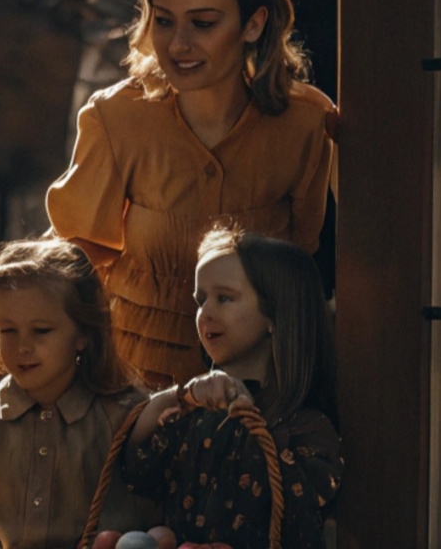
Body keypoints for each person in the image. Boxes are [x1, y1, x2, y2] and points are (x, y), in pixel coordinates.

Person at [46, 0, 337, 389]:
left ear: (253, 24)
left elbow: (302, 260)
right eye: (163, 21)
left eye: (203, 23)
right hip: (134, 391)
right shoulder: (117, 118)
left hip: (264, 391)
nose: (178, 45)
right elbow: (74, 257)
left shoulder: (306, 123)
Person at [121, 227, 342, 548]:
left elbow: (296, 515)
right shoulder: (193, 412)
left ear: (274, 313)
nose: (205, 313)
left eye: (224, 298)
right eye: (201, 300)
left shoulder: (305, 427)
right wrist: (183, 395)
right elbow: (136, 465)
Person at [0, 237, 156, 549]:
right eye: (8, 330)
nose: (23, 347)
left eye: (41, 331)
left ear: (83, 334)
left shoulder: (124, 417)